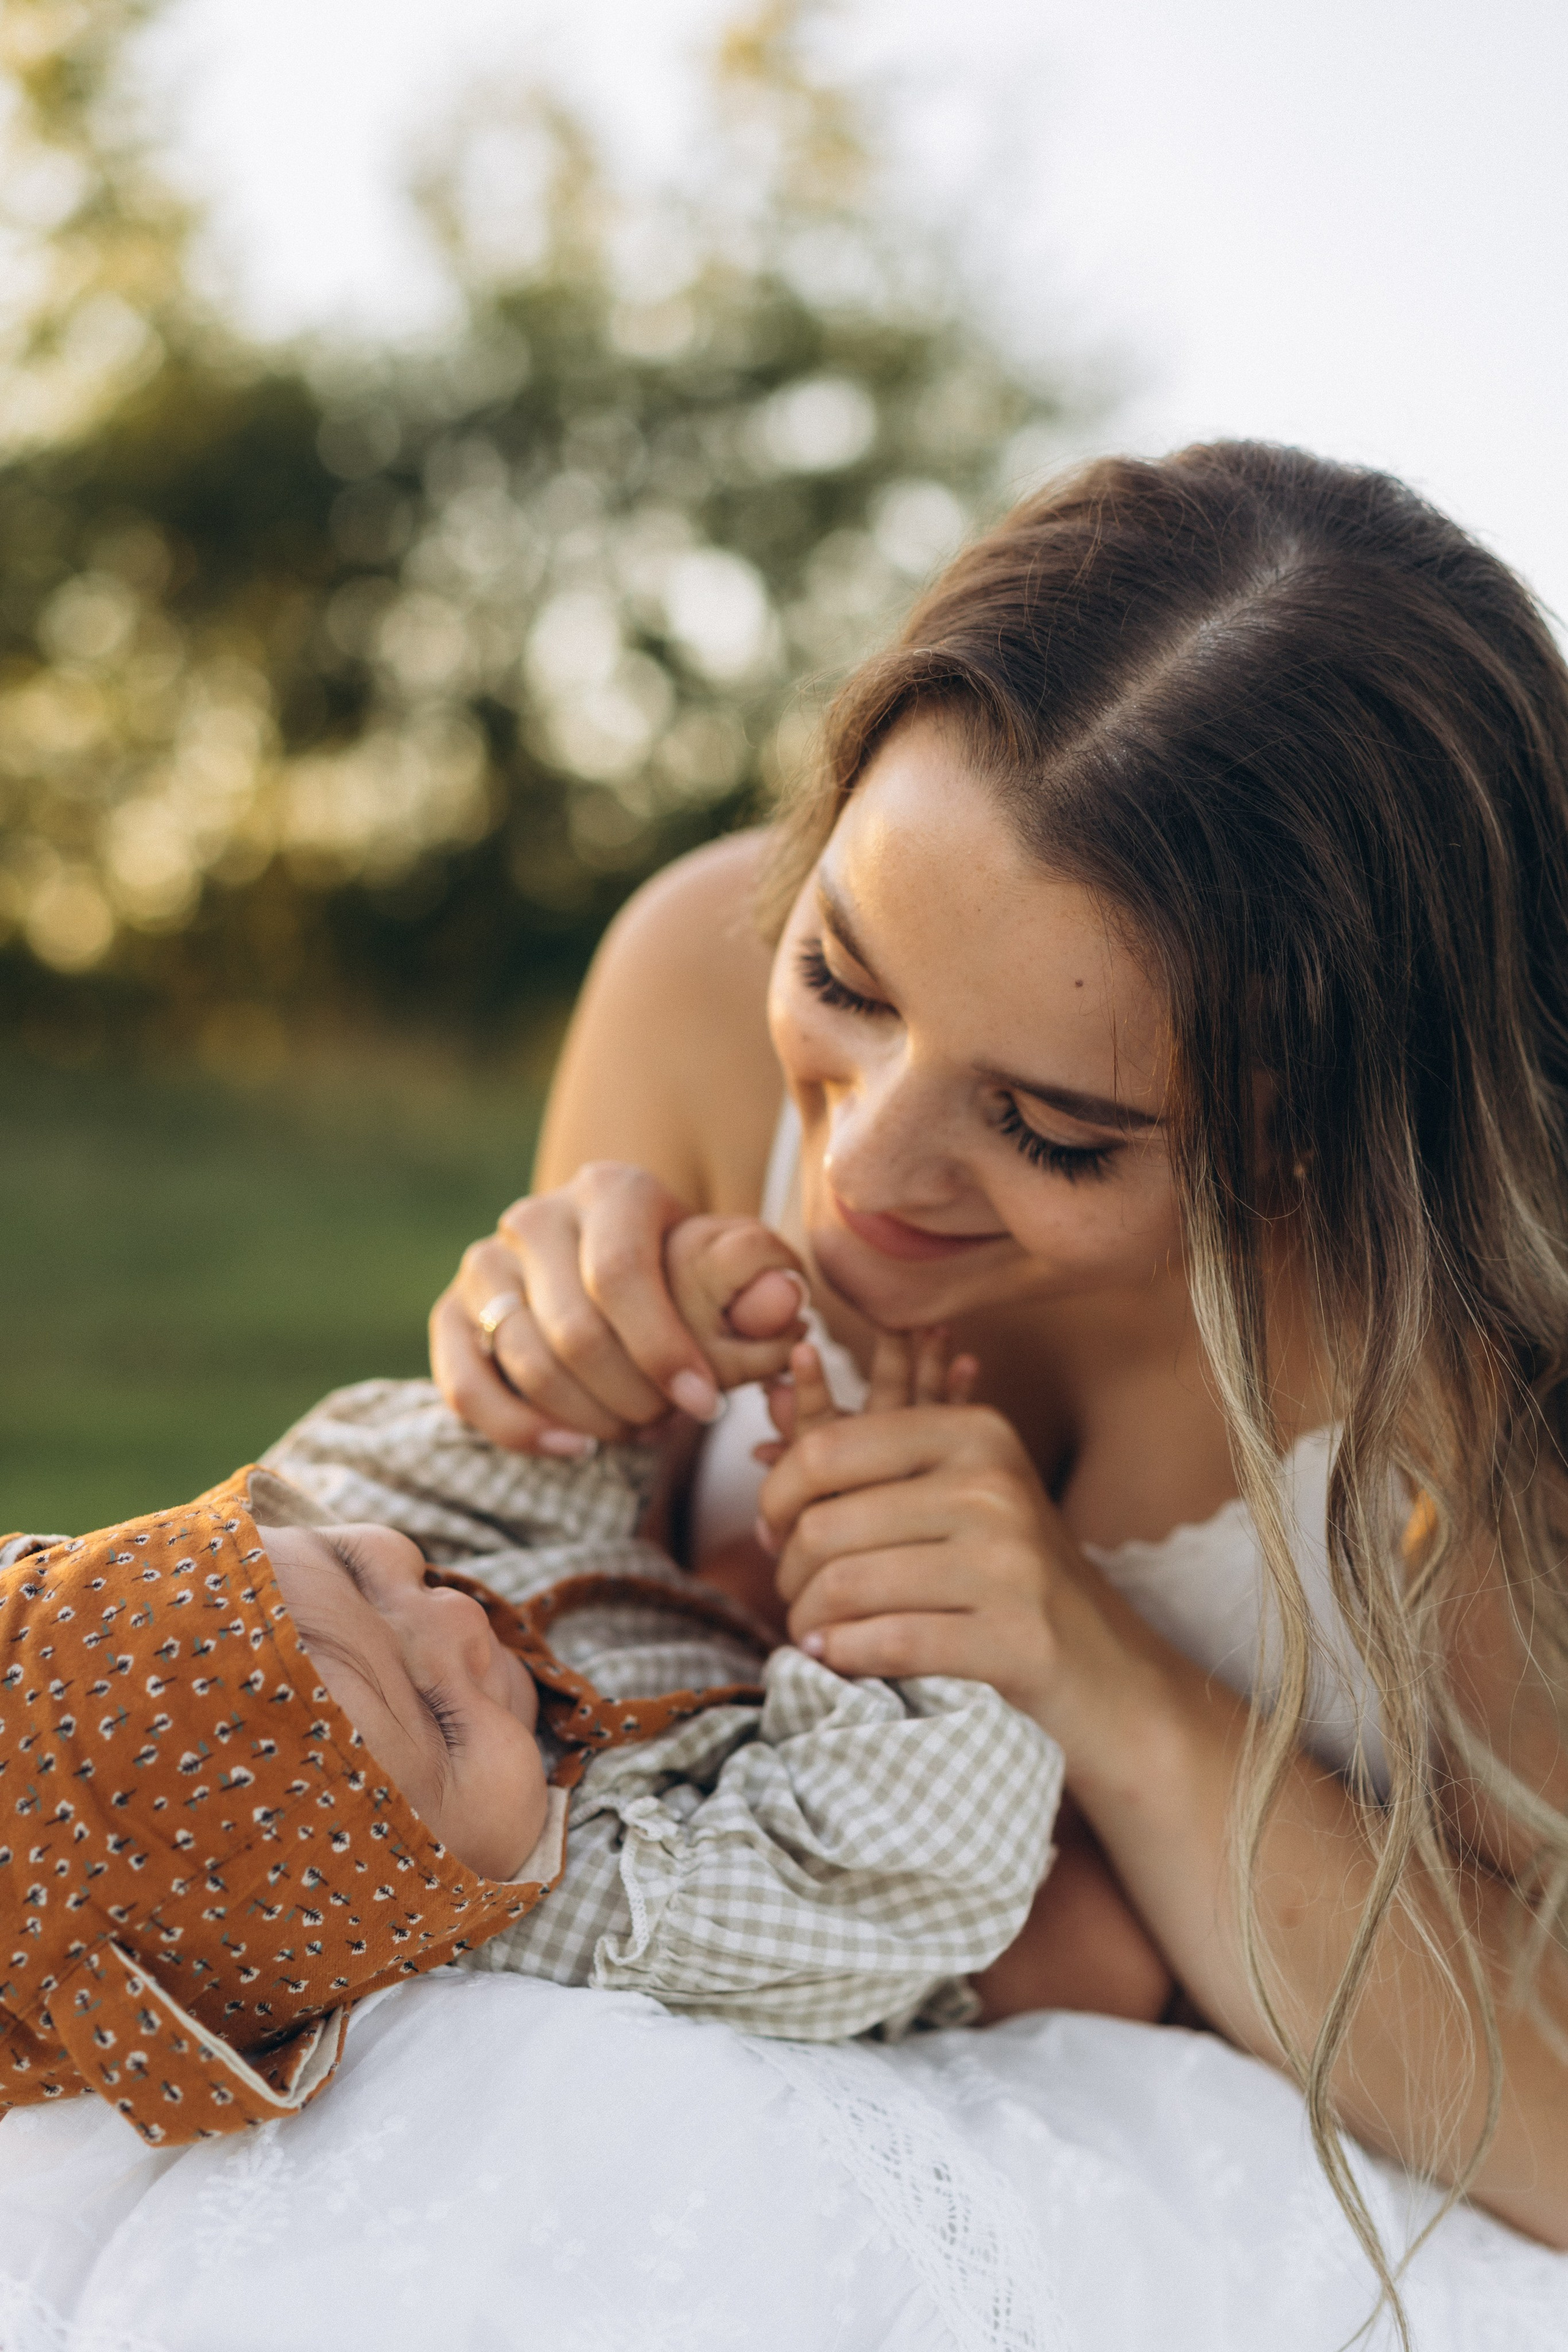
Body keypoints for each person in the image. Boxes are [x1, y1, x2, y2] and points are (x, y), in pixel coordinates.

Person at [429, 441, 1568, 2275]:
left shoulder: (1485, 1381)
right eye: (843, 979)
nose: (862, 1173)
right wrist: (528, 1391)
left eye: (1053, 1129)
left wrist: (1092, 1668)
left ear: (1326, 1136)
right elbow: (498, 1705)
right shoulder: (686, 978)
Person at [0, 1222, 1060, 2147]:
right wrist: (887, 1583)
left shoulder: (327, 1576)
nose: (456, 1620)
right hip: (961, 1887)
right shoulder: (607, 1911)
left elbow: (492, 1454)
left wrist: (639, 1345)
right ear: (408, 1908)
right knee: (1080, 1956)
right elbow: (912, 1846)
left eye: (363, 1568)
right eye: (441, 1718)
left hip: (731, 1631)